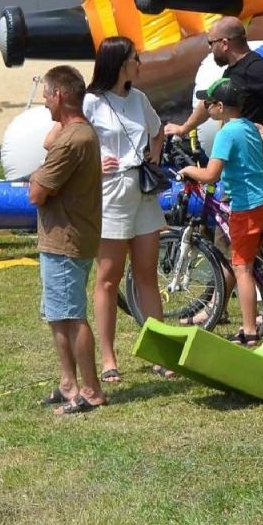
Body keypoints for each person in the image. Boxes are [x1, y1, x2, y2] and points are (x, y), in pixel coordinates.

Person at [83, 36, 166, 383]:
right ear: (119, 63)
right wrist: (93, 164)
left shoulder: (139, 98)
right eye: (135, 58)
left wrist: (155, 157)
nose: (139, 63)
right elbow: (66, 138)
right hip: (111, 192)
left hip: (142, 191)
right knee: (108, 278)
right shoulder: (91, 102)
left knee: (147, 273)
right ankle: (108, 357)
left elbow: (158, 131)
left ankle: (163, 352)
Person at [28, 65, 106, 415]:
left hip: (66, 240)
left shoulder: (74, 140)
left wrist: (36, 176)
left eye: (46, 95)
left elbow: (36, 193)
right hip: (63, 238)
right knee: (58, 314)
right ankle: (68, 385)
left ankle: (90, 391)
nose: (44, 103)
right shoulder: (74, 133)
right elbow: (48, 141)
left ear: (58, 95)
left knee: (72, 316)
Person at [179, 79, 263, 347]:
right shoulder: (248, 127)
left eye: (208, 104)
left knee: (241, 268)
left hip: (246, 206)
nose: (206, 109)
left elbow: (211, 174)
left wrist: (189, 171)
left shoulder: (226, 133)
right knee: (254, 262)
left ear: (220, 107)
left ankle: (249, 331)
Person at [164, 16, 263, 191]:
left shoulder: (254, 67)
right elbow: (209, 101)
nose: (210, 48)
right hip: (243, 165)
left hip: (261, 165)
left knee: (261, 217)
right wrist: (184, 129)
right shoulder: (234, 70)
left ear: (225, 43)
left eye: (211, 43)